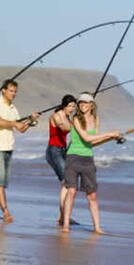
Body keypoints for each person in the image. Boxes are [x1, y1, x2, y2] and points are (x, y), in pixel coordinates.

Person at [62, 92, 120, 234]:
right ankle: (65, 225)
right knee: (71, 191)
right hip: (73, 157)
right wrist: (109, 134)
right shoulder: (75, 119)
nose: (83, 105)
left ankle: (97, 227)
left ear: (92, 104)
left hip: (87, 158)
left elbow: (93, 142)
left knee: (92, 195)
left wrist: (112, 138)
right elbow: (86, 138)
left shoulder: (96, 119)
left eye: (86, 103)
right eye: (81, 103)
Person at [0, 79, 40, 222]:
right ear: (3, 90)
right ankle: (6, 212)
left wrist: (31, 121)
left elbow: (20, 128)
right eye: (11, 90)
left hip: (8, 147)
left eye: (15, 91)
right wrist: (15, 123)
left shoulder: (13, 109)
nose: (13, 94)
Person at [45, 94, 79, 226]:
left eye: (73, 106)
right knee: (67, 182)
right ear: (64, 105)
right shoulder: (57, 116)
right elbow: (64, 128)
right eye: (70, 106)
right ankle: (64, 216)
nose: (71, 109)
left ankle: (62, 216)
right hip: (54, 151)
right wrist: (75, 126)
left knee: (66, 182)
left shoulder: (67, 116)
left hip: (63, 150)